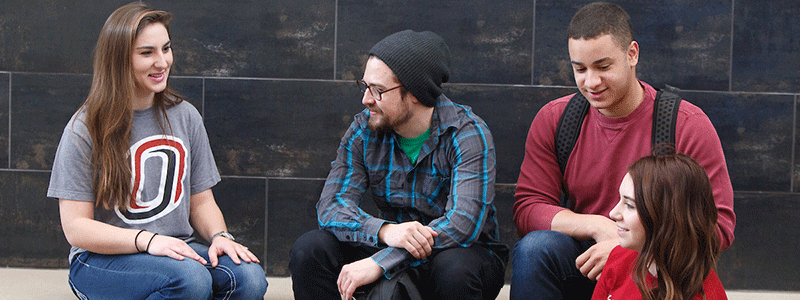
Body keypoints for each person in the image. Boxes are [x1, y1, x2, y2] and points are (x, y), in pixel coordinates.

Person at [511, 2, 735, 299]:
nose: (591, 82)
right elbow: (528, 208)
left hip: (656, 268)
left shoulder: (685, 125)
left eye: (603, 67)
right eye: (580, 69)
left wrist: (627, 249)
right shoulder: (555, 119)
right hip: (586, 259)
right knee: (535, 249)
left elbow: (718, 226)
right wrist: (598, 226)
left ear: (632, 54)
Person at [47, 2, 267, 299]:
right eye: (147, 53)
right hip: (100, 261)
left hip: (173, 250)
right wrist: (147, 241)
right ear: (119, 60)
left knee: (249, 277)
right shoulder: (85, 128)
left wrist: (220, 236)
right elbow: (77, 228)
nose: (162, 62)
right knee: (190, 281)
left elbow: (201, 202)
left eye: (166, 48)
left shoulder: (185, 116)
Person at [288, 30, 508, 300]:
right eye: (365, 86)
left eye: (378, 90)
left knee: (454, 269)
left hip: (460, 253)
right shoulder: (364, 130)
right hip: (393, 241)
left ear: (415, 93)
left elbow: (462, 225)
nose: (366, 99)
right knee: (310, 249)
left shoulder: (466, 133)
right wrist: (385, 231)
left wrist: (382, 262)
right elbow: (332, 206)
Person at [593, 153, 727, 300]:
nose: (613, 213)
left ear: (666, 218)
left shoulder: (708, 293)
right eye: (620, 200)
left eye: (630, 205)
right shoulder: (618, 258)